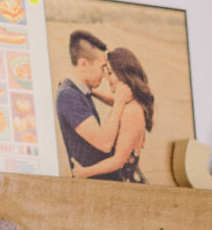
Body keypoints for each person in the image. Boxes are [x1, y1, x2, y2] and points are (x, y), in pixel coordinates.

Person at [70, 44, 153, 181]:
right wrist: (88, 90)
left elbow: (118, 161)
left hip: (126, 183)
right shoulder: (131, 101)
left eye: (109, 73)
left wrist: (83, 172)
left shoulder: (131, 112)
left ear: (123, 75)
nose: (106, 78)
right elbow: (114, 100)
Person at [55, 30, 120, 171]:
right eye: (102, 67)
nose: (104, 75)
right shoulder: (69, 96)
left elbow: (120, 100)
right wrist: (120, 103)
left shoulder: (81, 90)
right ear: (83, 64)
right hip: (92, 180)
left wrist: (93, 92)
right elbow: (105, 144)